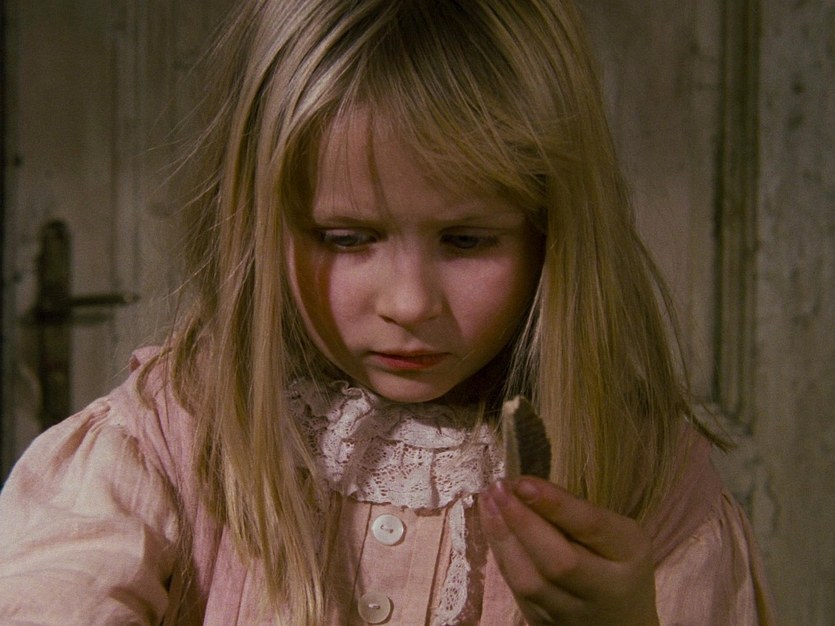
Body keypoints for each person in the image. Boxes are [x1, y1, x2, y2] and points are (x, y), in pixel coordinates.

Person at [0, 0, 776, 624]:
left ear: (551, 233)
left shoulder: (643, 480)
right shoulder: (171, 441)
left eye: (467, 240)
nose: (408, 304)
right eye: (347, 238)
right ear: (259, 226)